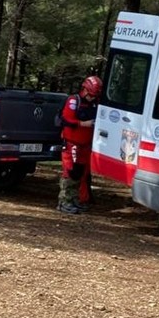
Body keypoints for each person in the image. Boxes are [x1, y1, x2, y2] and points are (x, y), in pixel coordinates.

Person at [58, 75, 101, 215]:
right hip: (72, 144)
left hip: (85, 145)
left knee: (82, 174)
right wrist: (84, 124)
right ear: (85, 89)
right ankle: (64, 202)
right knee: (71, 173)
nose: (92, 98)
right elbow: (66, 120)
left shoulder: (95, 103)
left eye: (95, 95)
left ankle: (76, 200)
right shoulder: (73, 100)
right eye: (91, 95)